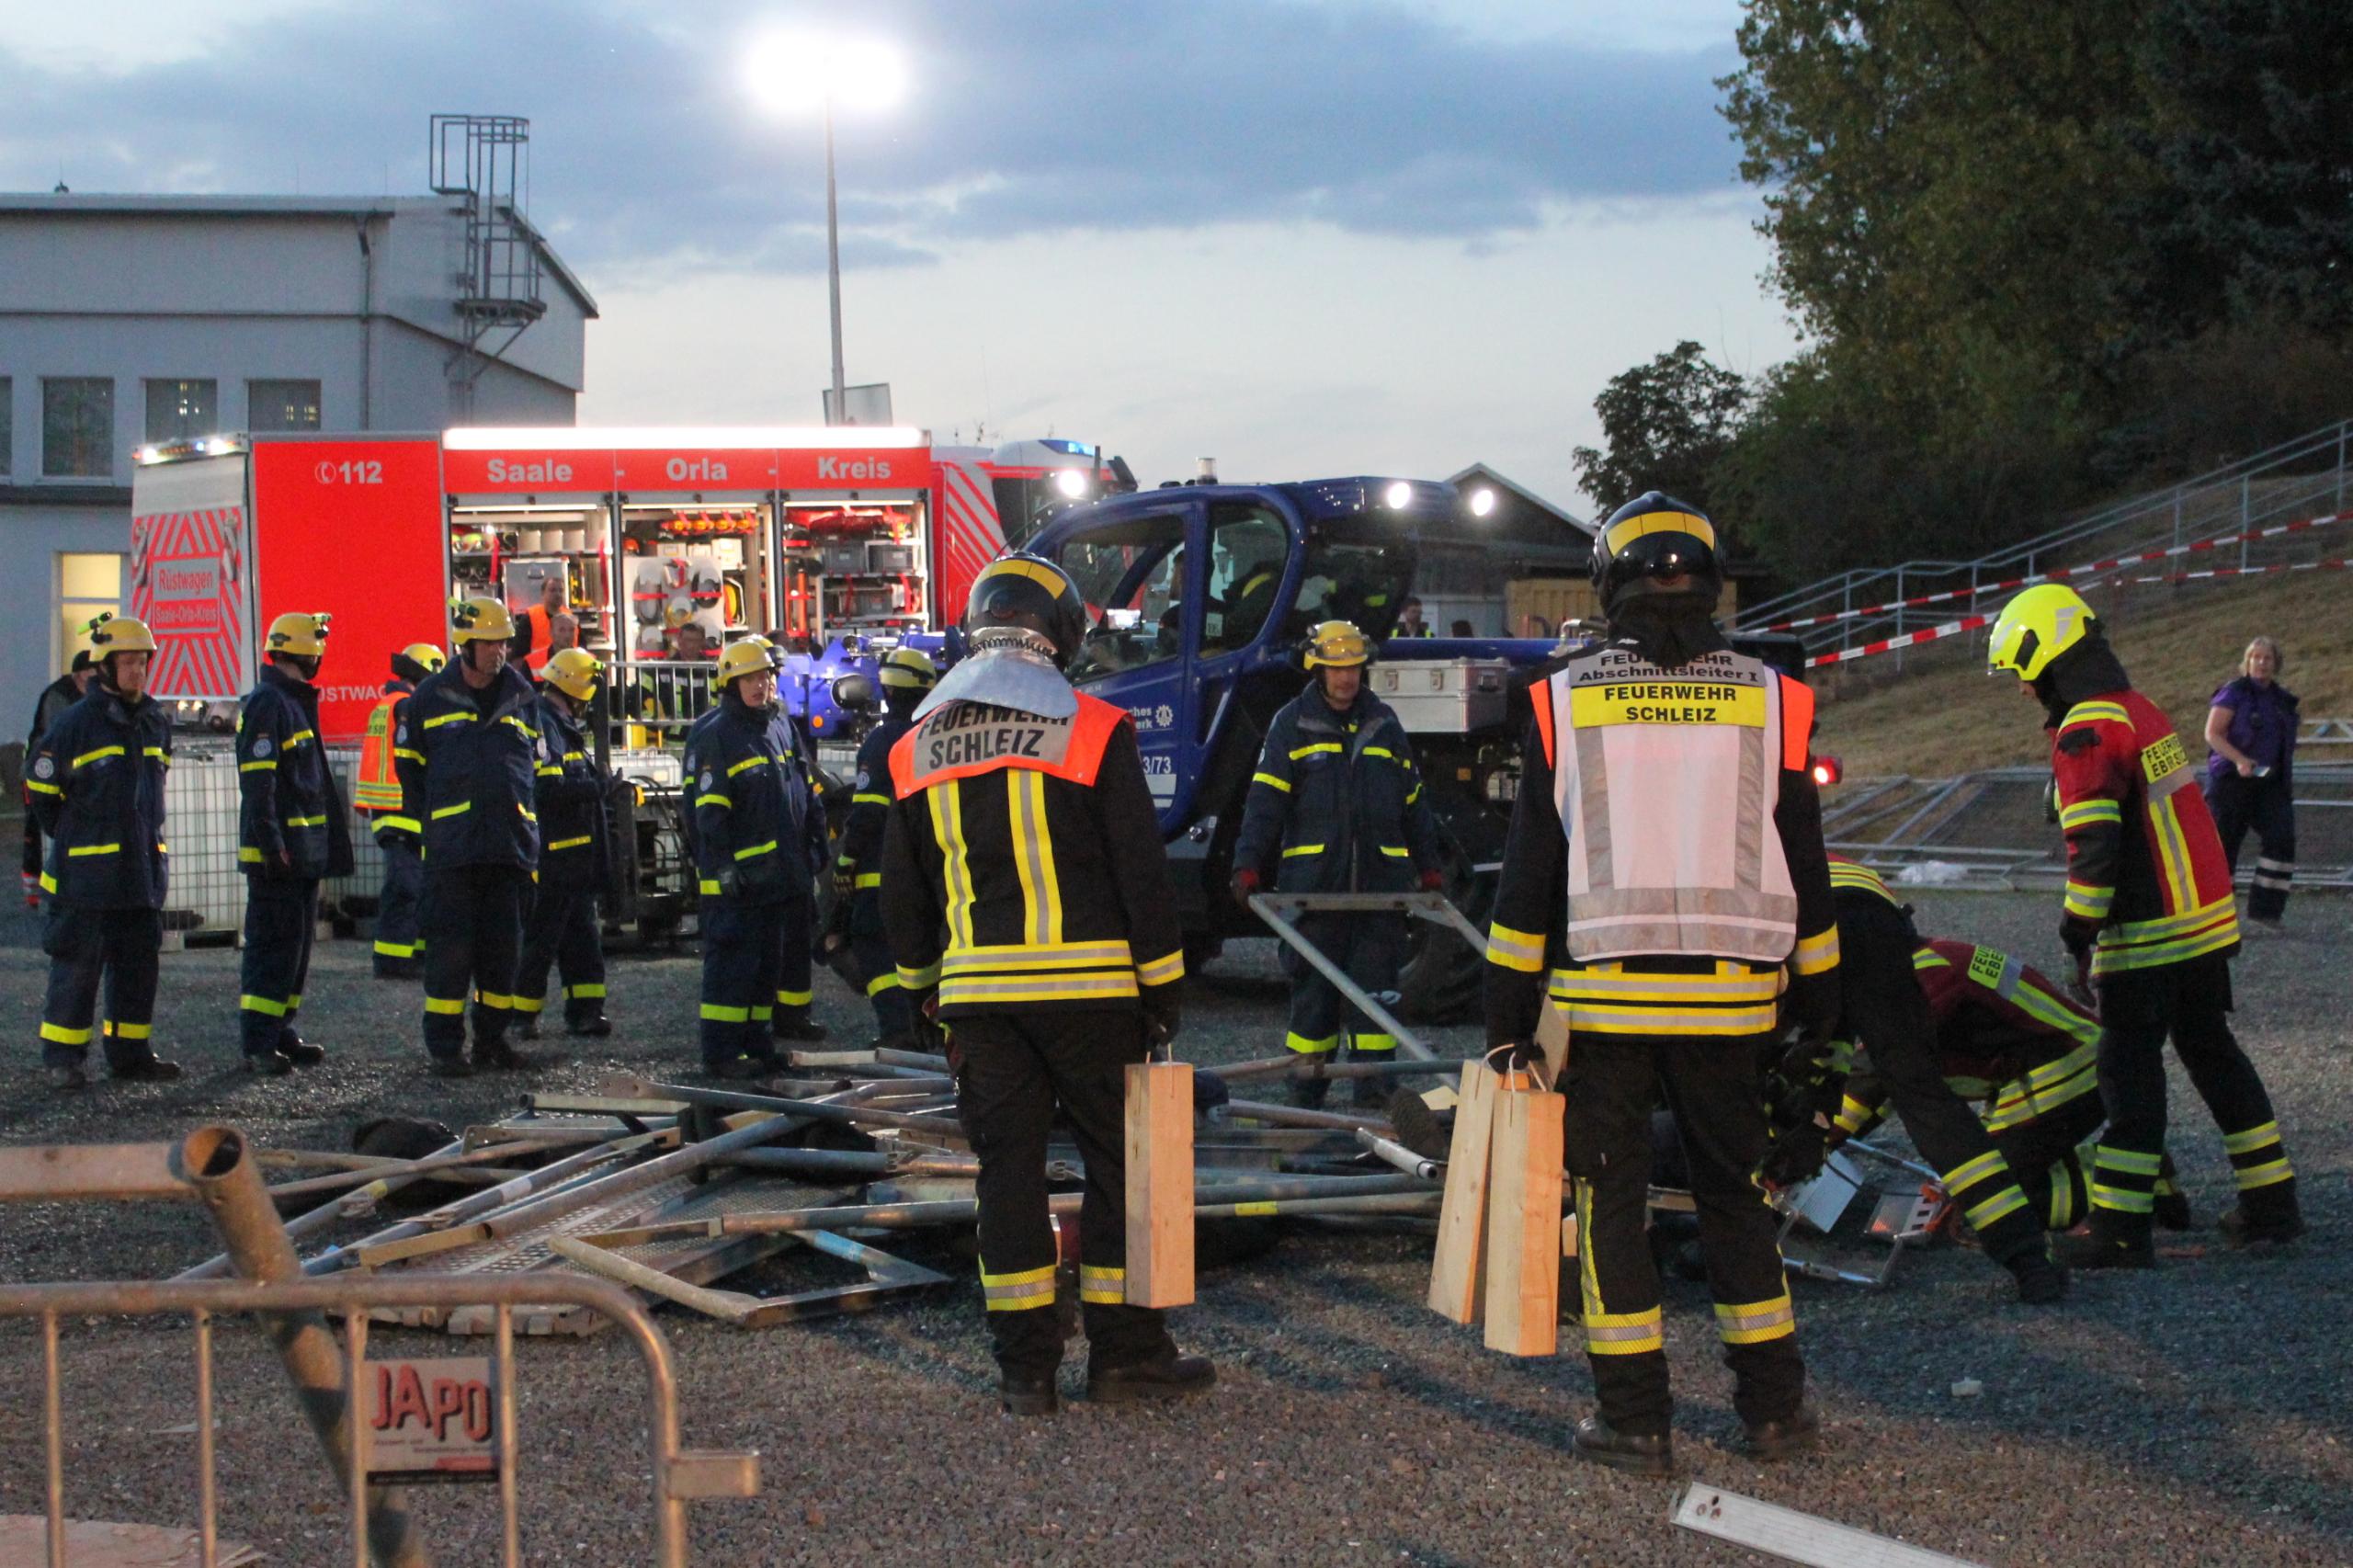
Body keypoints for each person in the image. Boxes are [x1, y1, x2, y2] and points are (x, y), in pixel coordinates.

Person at [1484, 492, 1836, 1474]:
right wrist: (1821, 1004)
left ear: (1607, 587)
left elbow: (1528, 876)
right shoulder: (1776, 698)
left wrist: (1505, 1015)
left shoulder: (1562, 700)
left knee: (1610, 1204)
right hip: (1734, 1003)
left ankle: (1635, 1420)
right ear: (1711, 581)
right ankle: (1774, 1412)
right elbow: (1806, 868)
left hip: (1605, 1006)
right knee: (1735, 1199)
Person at [881, 553, 1211, 1416]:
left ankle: (1025, 1371)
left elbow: (903, 897)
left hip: (981, 1006)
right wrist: (1163, 990)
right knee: (1117, 1170)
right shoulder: (1093, 729)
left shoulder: (916, 746)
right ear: (1061, 632)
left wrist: (923, 993)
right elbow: (1142, 873)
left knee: (1007, 1176)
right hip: (1094, 998)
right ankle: (1126, 1357)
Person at [1986, 584, 2303, 1262]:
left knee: (2126, 1072)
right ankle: (2272, 1203)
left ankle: (2121, 1228)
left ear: (2048, 658)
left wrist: (2076, 931)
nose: (2023, 690)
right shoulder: (2138, 709)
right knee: (2213, 1054)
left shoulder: (2085, 731)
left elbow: (2094, 848)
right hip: (2202, 923)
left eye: (2022, 673)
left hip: (2149, 933)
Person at [1807, 858, 2069, 1301]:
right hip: (1878, 921)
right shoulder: (1809, 848)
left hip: (1796, 924)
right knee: (1927, 1102)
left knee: (1754, 1069)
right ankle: (2029, 1262)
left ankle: (1741, 1219)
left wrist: (1811, 1142)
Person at [1230, 619, 1444, 1107]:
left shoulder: (1385, 725)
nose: (1347, 678)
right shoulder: (1292, 724)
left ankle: (1377, 1092)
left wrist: (1429, 867)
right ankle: (1306, 1095)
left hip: (1379, 893)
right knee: (1314, 1002)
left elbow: (1414, 803)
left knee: (1378, 999)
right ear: (1317, 669)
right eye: (1336, 669)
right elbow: (1265, 803)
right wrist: (1247, 864)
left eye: (1353, 668)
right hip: (1313, 894)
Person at [27, 615, 176, 1089]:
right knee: (77, 970)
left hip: (138, 872)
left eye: (143, 662)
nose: (138, 671)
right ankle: (63, 1059)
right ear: (105, 667)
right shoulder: (76, 724)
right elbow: (40, 787)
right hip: (86, 878)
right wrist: (73, 835)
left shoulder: (154, 722)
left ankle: (130, 1054)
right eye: (128, 662)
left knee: (137, 969)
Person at [397, 597, 543, 1077]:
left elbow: (535, 770)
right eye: (490, 643)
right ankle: (445, 1047)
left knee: (503, 955)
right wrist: (439, 821)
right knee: (450, 957)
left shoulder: (522, 695)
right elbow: (410, 770)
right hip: (453, 853)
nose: (500, 651)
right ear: (465, 645)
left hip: (508, 849)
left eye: (504, 643)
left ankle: (492, 1041)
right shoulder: (429, 698)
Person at [685, 636, 828, 1078]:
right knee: (731, 968)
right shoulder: (718, 735)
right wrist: (724, 867)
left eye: (764, 676)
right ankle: (721, 1054)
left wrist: (816, 839)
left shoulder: (780, 725)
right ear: (730, 684)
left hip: (777, 878)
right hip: (739, 882)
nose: (759, 685)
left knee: (766, 968)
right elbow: (709, 813)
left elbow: (803, 787)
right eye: (748, 678)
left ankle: (756, 1045)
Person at [233, 612, 353, 1074]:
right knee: (272, 948)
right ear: (306, 651)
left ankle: (280, 1028)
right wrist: (271, 843)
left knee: (295, 950)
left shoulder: (292, 701)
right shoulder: (271, 702)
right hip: (279, 855)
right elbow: (258, 782)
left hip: (300, 852)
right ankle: (258, 1039)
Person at [833, 645, 938, 1048]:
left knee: (875, 947)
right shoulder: (935, 736)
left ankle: (899, 1031)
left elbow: (868, 812)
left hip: (881, 870)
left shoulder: (882, 742)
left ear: (889, 691)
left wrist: (846, 861)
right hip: (930, 870)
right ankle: (928, 1030)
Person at [515, 648, 612, 1039]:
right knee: (542, 939)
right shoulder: (547, 723)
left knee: (581, 938)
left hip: (573, 856)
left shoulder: (558, 723)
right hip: (554, 856)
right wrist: (597, 787)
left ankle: (586, 1012)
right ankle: (522, 1016)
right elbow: (547, 788)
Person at [352, 643, 445, 979]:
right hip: (401, 806)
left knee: (413, 885)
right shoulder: (407, 705)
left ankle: (411, 954)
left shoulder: (388, 703)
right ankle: (394, 959)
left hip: (390, 806)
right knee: (406, 887)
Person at [2203, 636, 2297, 930]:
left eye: (2267, 658)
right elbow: (2213, 733)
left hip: (2268, 782)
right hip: (2231, 781)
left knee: (2282, 838)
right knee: (2224, 847)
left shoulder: (2281, 699)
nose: (2261, 663)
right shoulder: (2234, 693)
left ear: (2276, 663)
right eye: (2256, 657)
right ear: (2247, 662)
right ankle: (2218, 918)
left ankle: (2266, 911)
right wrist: (2239, 760)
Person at [21, 650, 94, 906]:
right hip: (41, 771)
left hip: (62, 772)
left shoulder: (88, 696)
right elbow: (57, 735)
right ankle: (34, 890)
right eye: (92, 674)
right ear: (79, 674)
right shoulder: (59, 696)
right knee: (36, 828)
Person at [509, 571, 571, 677]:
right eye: (552, 590)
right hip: (538, 682)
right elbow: (517, 658)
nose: (558, 594)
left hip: (568, 681)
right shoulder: (530, 618)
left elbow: (581, 652)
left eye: (561, 591)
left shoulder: (571, 619)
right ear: (543, 594)